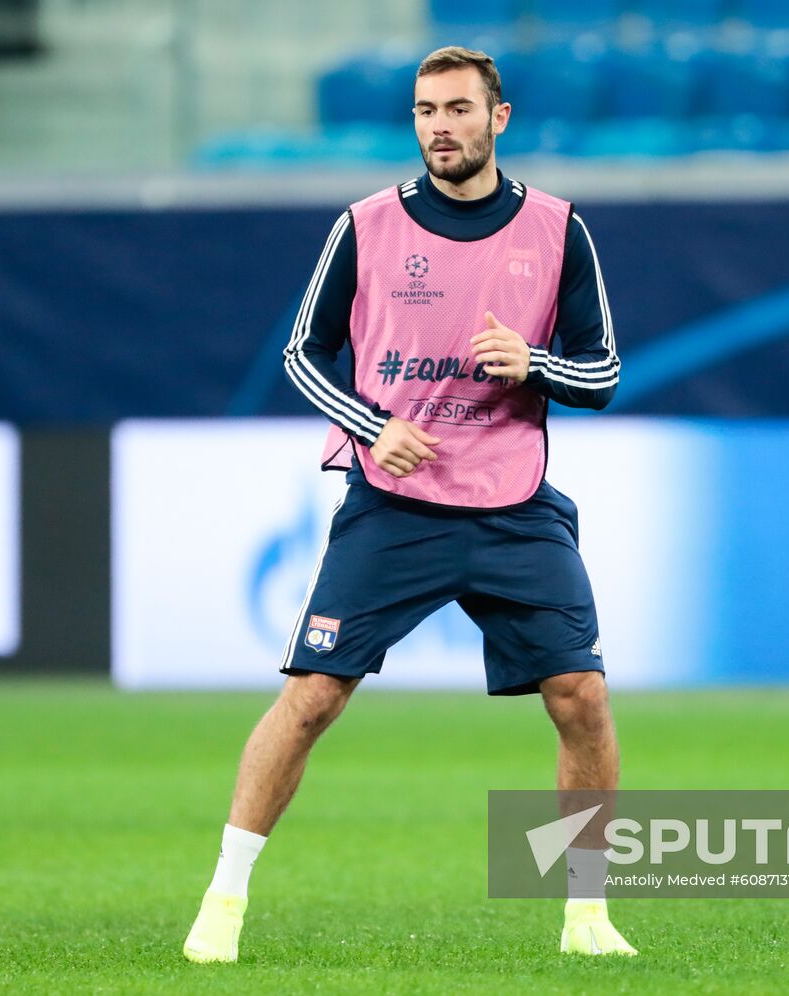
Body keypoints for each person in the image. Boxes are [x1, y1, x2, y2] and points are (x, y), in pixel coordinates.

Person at [183, 45, 635, 964]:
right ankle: (222, 903)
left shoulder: (557, 229)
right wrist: (370, 424)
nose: (440, 126)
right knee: (310, 698)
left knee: (581, 696)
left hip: (512, 500)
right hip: (394, 498)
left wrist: (536, 364)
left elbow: (605, 371)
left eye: (459, 109)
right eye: (426, 110)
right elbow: (302, 353)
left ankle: (587, 916)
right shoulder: (365, 226)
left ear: (497, 119)